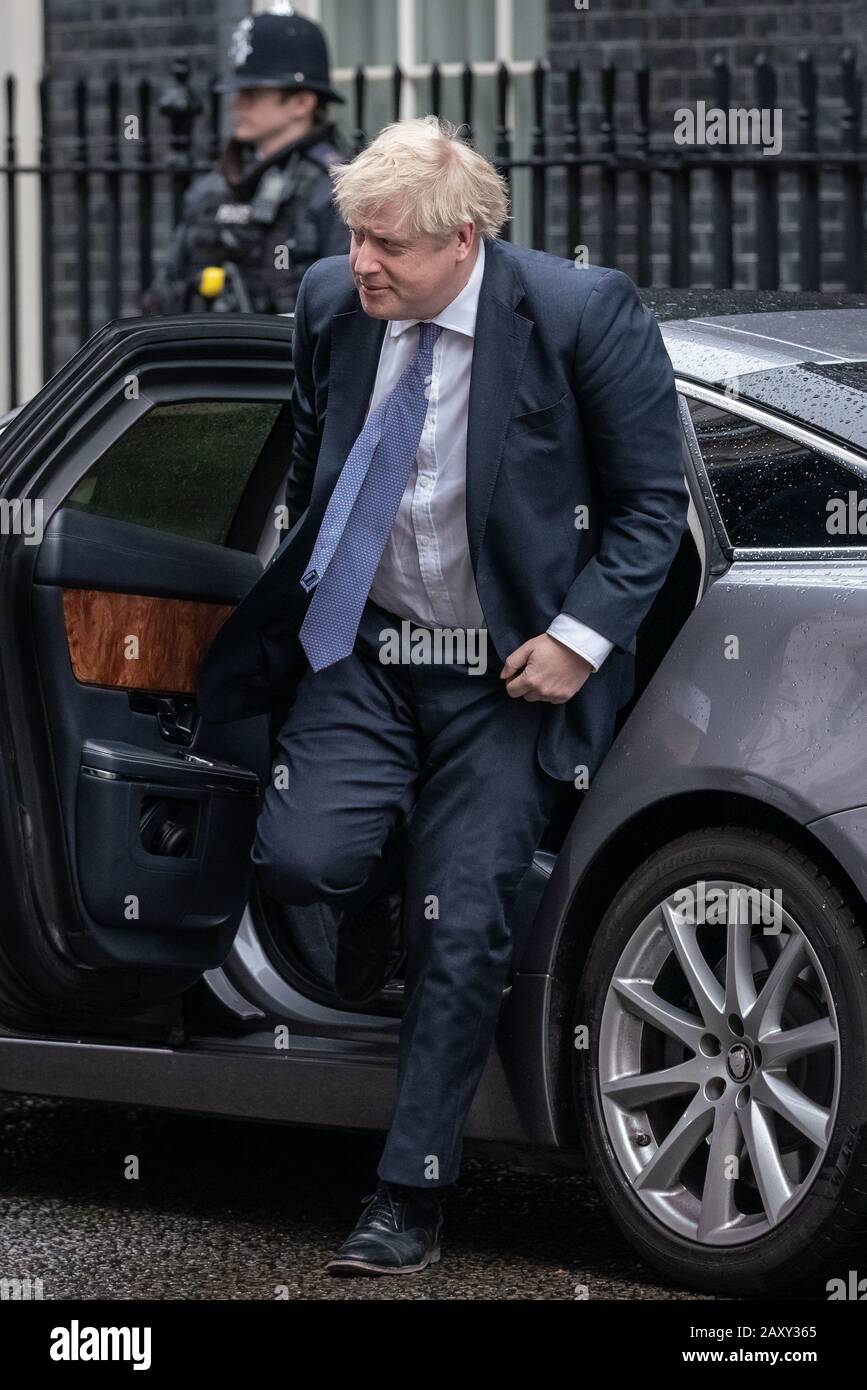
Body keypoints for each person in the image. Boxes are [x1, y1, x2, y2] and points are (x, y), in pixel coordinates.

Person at [197, 115, 690, 1276]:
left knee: (463, 926)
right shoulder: (332, 304)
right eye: (355, 236)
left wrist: (576, 639)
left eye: (390, 246)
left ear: (463, 240)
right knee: (300, 859)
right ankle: (405, 886)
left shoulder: (578, 314)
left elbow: (649, 509)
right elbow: (320, 465)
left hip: (506, 679)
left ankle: (405, 1195)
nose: (363, 262)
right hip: (368, 653)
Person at [141, 7, 349, 316]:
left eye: (252, 94)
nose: (237, 105)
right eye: (238, 93)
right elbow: (163, 295)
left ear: (302, 103)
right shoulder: (214, 187)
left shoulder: (336, 189)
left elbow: (345, 309)